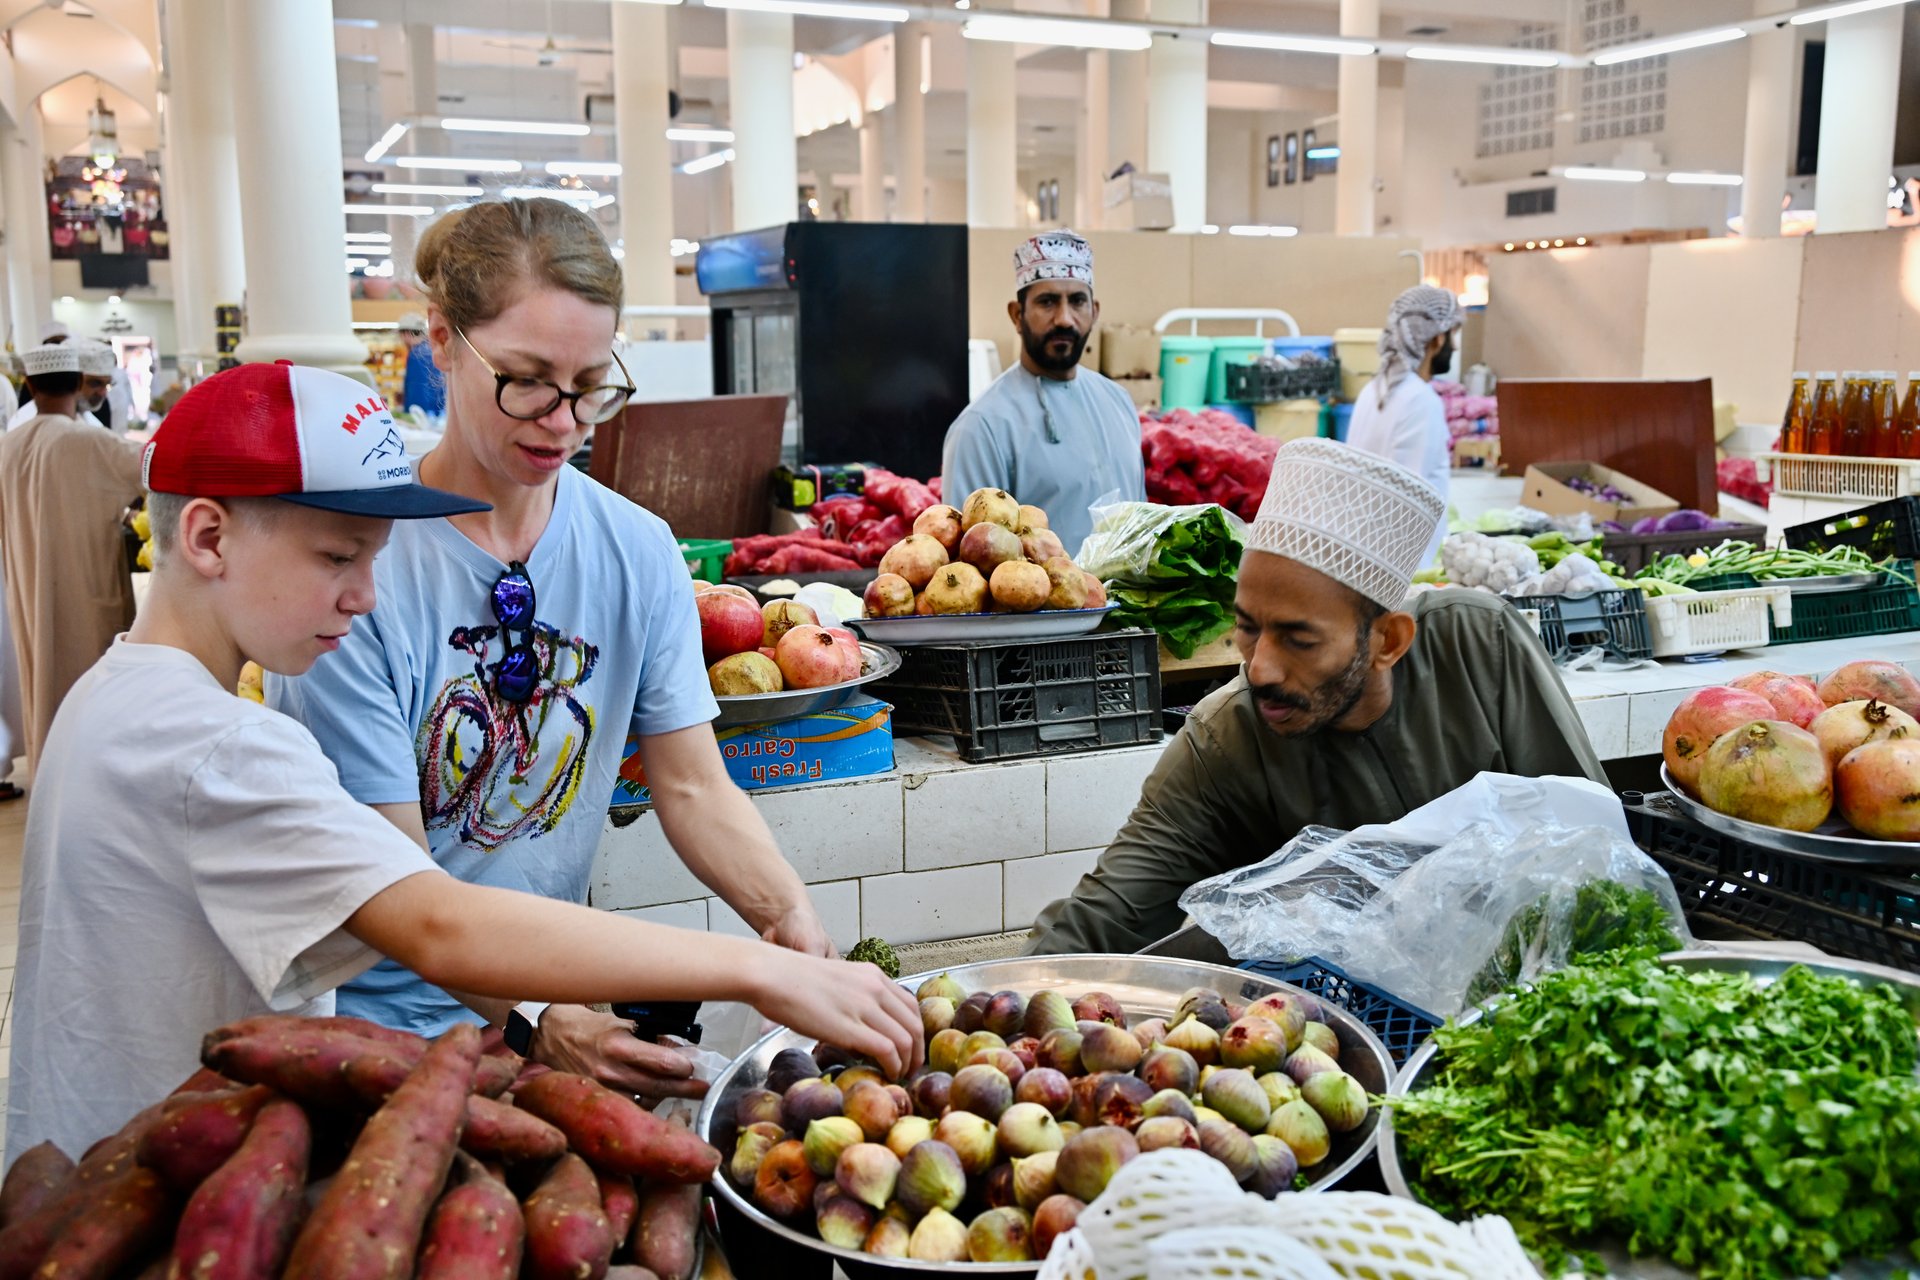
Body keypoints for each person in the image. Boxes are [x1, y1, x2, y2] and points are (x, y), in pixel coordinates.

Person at [7, 360, 921, 1167]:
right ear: (209, 539)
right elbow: (438, 922)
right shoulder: (221, 747)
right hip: (151, 1189)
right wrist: (760, 970)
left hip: (103, 1166)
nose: (365, 597)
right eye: (337, 558)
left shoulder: (109, 694)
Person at [270, 198, 838, 1101]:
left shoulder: (637, 549)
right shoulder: (356, 570)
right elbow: (402, 888)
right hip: (379, 1041)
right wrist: (536, 1016)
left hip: (549, 1014)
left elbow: (692, 786)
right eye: (527, 380)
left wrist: (791, 920)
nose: (563, 421)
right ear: (443, 339)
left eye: (590, 385)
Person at [1028, 438, 1607, 956]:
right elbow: (1103, 922)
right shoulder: (1225, 740)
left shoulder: (1480, 646)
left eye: (1299, 639)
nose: (1259, 668)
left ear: (1387, 641)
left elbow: (1594, 847)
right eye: (1247, 627)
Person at [942, 231, 1146, 558]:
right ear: (1017, 314)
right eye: (1047, 302)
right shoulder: (982, 427)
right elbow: (969, 563)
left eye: (1077, 301)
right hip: (1046, 594)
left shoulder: (1118, 401)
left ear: (1094, 312)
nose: (1064, 319)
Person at [0, 342, 145, 772]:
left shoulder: (8, 445)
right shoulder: (89, 440)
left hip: (29, 589)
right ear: (79, 383)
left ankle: (50, 773)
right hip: (85, 590)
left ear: (29, 386)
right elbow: (155, 468)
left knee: (44, 680)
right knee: (91, 687)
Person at [1345, 285, 1464, 567]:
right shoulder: (1420, 400)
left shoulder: (1373, 389)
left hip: (1367, 551)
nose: (1455, 346)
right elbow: (1411, 499)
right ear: (1437, 338)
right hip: (1403, 564)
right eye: (1453, 335)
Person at [399, 310, 446, 417]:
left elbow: (417, 390)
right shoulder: (432, 349)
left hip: (423, 415)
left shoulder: (417, 354)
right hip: (438, 413)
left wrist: (411, 415)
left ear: (406, 334)